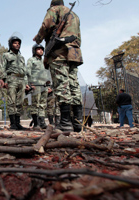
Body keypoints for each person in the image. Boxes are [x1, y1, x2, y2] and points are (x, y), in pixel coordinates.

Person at [33, 0, 83, 132]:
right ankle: (78, 122)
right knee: (73, 85)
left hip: (59, 53)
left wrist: (38, 38)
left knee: (62, 85)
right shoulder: (74, 15)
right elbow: (78, 37)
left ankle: (65, 122)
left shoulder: (55, 10)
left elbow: (46, 25)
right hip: (74, 53)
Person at [0, 36, 28, 130]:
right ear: (11, 44)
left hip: (22, 79)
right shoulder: (6, 55)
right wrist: (3, 79)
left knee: (20, 102)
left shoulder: (22, 57)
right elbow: (3, 67)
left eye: (18, 43)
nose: (17, 45)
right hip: (12, 78)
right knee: (12, 101)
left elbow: (25, 70)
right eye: (15, 43)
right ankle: (12, 123)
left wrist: (26, 82)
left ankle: (18, 123)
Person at [26, 44, 48, 130]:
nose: (40, 51)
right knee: (35, 104)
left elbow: (48, 73)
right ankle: (36, 123)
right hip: (36, 84)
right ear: (34, 50)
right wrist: (30, 83)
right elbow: (28, 72)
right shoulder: (31, 60)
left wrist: (49, 85)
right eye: (38, 49)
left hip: (44, 85)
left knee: (42, 105)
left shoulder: (44, 61)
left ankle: (42, 122)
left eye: (42, 49)